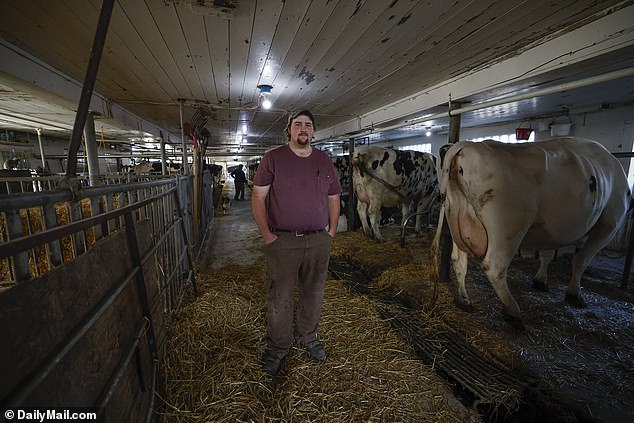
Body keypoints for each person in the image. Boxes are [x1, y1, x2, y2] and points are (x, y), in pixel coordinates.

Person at [251, 110, 342, 376]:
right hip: (284, 241)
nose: (303, 129)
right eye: (298, 124)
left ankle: (309, 337)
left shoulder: (324, 160)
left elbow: (334, 197)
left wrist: (332, 232)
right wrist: (267, 235)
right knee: (280, 297)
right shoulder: (273, 158)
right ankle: (278, 348)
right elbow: (258, 197)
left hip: (318, 240)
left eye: (308, 125)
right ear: (289, 130)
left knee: (314, 292)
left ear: (314, 131)